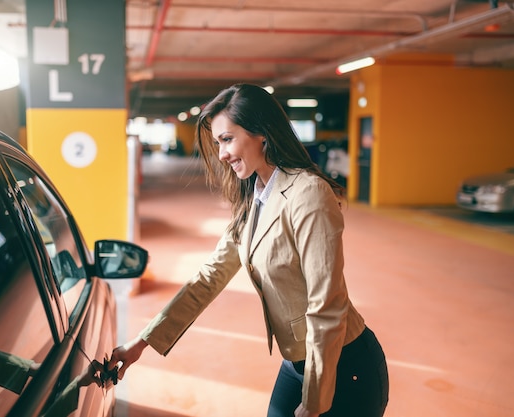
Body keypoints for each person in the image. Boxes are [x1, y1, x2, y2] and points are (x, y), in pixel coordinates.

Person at [108, 83, 389, 417]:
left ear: (262, 133)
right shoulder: (255, 195)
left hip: (343, 367)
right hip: (297, 361)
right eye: (217, 143)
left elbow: (325, 308)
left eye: (227, 139)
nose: (222, 154)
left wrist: (313, 405)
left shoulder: (308, 194)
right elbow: (209, 278)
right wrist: (141, 342)